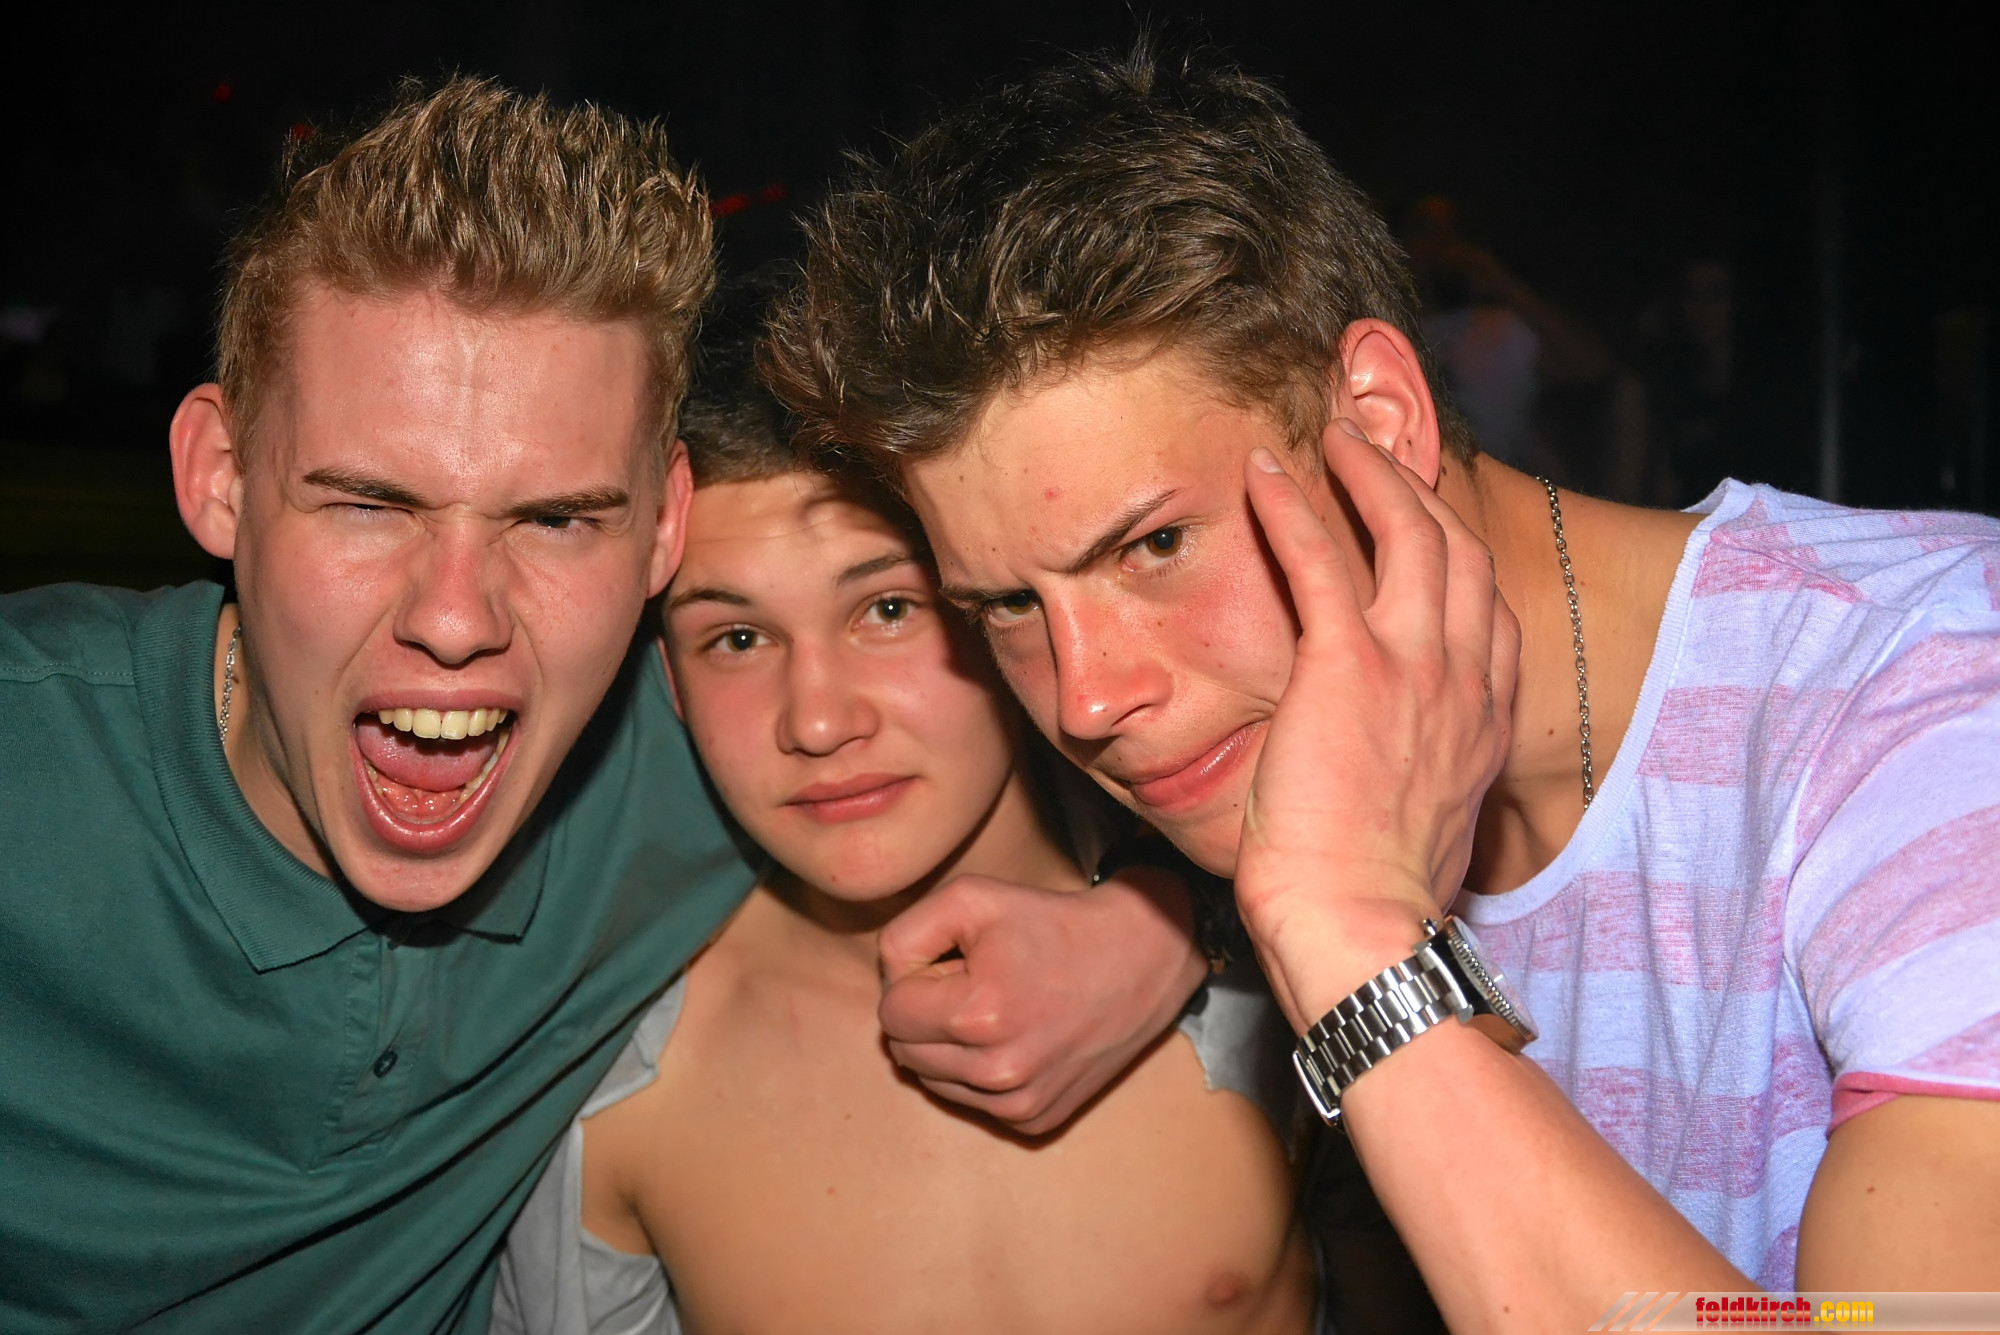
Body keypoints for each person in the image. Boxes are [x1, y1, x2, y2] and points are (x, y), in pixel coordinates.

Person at [763, 39, 2000, 1327]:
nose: (1085, 698)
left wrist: (1352, 945)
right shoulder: (1258, 772)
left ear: (1379, 421)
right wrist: (1183, 924)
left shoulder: (1927, 694)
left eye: (1153, 545)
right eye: (1009, 607)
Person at [0, 77, 1207, 1332]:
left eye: (555, 520)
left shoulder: (730, 750)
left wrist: (1161, 923)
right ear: (220, 478)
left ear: (662, 528)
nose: (455, 618)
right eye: (368, 504)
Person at [492, 339, 1319, 1334]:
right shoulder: (613, 1087)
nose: (818, 720)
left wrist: (1191, 921)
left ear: (1001, 610)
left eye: (886, 610)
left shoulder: (1286, 938)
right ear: (670, 681)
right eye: (737, 639)